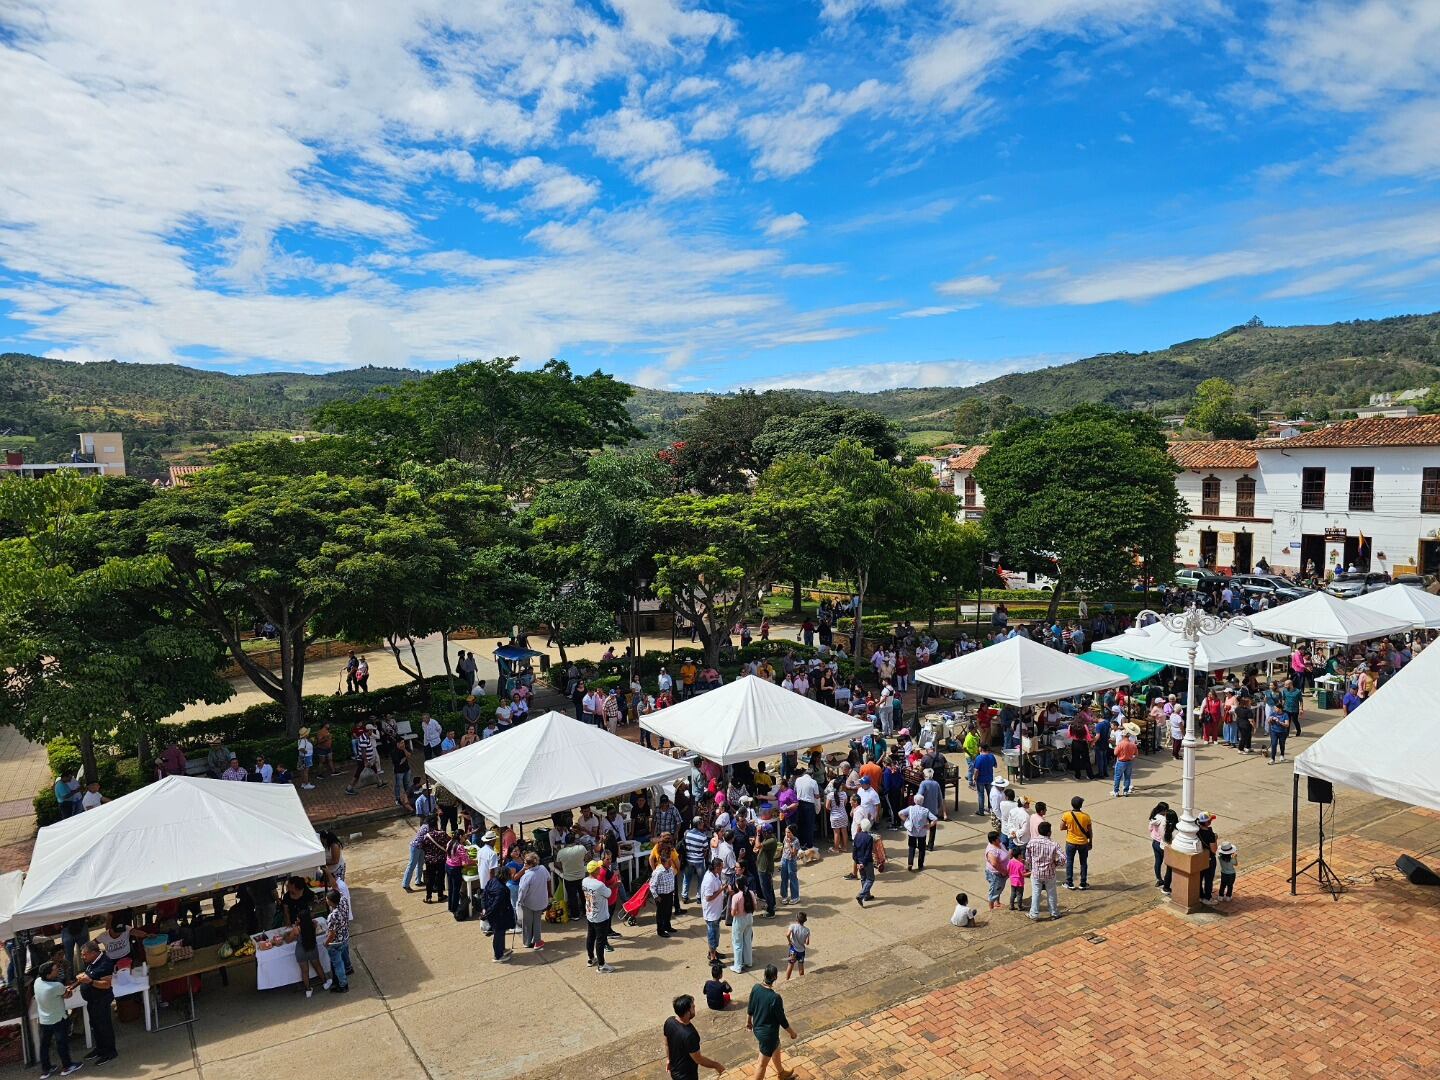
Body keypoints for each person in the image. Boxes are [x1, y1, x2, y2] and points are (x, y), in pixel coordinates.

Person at [746, 965, 798, 1080]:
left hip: (758, 1028)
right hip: (768, 1035)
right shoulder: (775, 998)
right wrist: (792, 1033)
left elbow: (750, 1007)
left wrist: (749, 1022)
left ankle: (781, 1073)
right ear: (775, 977)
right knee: (761, 1064)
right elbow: (782, 1020)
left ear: (764, 975)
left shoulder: (756, 988)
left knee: (776, 1046)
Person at [35, 960, 81, 1076]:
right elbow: (67, 995)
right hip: (58, 1019)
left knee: (44, 1046)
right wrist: (70, 989)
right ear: (48, 974)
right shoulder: (56, 986)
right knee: (61, 1044)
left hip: (44, 1020)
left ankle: (46, 1069)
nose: (57, 971)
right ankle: (67, 1066)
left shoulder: (37, 982)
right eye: (55, 970)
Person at [665, 994, 726, 1080]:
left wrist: (668, 1060)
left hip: (674, 1070)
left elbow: (666, 1044)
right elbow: (699, 1059)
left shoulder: (669, 1022)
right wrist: (717, 1065)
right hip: (686, 1076)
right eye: (693, 1007)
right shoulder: (690, 1035)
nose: (695, 1008)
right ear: (687, 1012)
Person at [76, 940, 117, 1064]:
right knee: (95, 1025)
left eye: (84, 954)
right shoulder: (91, 963)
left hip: (102, 1000)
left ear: (94, 953)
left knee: (104, 1026)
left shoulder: (105, 963)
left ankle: (110, 1052)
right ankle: (100, 1049)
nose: (82, 957)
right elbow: (89, 976)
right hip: (92, 1000)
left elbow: (106, 985)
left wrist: (90, 982)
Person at [582, 861, 615, 973]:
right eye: (598, 868)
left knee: (590, 937)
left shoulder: (584, 881)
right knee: (600, 940)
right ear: (596, 870)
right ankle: (601, 965)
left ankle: (591, 958)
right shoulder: (599, 885)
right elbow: (608, 893)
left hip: (590, 913)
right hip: (600, 916)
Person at [1027, 821, 1062, 921]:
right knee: (1051, 894)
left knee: (1036, 894)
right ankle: (1054, 913)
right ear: (1049, 833)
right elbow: (1063, 858)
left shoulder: (1031, 842)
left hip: (1036, 873)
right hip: (1050, 873)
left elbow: (1028, 858)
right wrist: (1056, 863)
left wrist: (1031, 868)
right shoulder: (1054, 844)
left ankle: (1034, 914)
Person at [517, 852, 551, 950]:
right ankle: (537, 941)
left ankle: (527, 942)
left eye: (525, 863)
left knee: (527, 923)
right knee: (537, 922)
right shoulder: (543, 869)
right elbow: (548, 879)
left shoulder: (527, 876)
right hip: (540, 902)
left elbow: (522, 891)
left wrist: (519, 901)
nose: (524, 865)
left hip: (528, 903)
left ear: (530, 864)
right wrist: (549, 893)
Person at [482, 865, 515, 962]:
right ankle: (498, 956)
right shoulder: (501, 889)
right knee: (498, 934)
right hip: (499, 915)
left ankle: (502, 950)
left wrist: (484, 908)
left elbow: (484, 894)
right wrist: (487, 914)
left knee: (501, 932)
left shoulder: (492, 881)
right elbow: (496, 905)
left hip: (494, 913)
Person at [1060, 796, 1092, 891]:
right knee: (1083, 863)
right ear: (1081, 805)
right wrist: (1090, 842)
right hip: (1083, 843)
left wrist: (1069, 827)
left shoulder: (1066, 815)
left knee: (1070, 862)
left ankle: (1069, 883)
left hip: (1070, 842)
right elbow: (1090, 831)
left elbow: (1061, 827)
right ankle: (1083, 883)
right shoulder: (1086, 816)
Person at [899, 794, 938, 872]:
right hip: (922, 833)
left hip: (912, 832)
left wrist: (906, 820)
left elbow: (900, 813)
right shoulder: (925, 810)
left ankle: (910, 863)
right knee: (921, 849)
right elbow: (935, 819)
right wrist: (929, 826)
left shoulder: (910, 808)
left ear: (914, 801)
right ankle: (920, 865)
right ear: (922, 802)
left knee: (911, 847)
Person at [701, 857, 727, 964]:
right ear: (716, 867)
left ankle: (713, 952)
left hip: (715, 912)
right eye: (721, 867)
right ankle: (712, 958)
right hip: (711, 913)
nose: (722, 869)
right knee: (713, 935)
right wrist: (721, 889)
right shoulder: (709, 879)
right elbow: (708, 897)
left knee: (716, 934)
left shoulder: (715, 874)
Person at [324, 889, 350, 993]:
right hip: (345, 937)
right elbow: (341, 894)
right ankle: (349, 968)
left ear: (330, 901)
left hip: (335, 943)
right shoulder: (343, 902)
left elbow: (332, 933)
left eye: (327, 899)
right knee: (345, 955)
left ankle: (343, 985)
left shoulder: (332, 916)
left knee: (338, 964)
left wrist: (326, 943)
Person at [729, 881, 756, 974]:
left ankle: (738, 966)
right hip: (749, 918)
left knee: (737, 943)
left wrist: (737, 912)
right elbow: (755, 906)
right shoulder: (751, 893)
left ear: (738, 885)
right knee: (747, 940)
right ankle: (748, 961)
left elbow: (733, 913)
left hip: (739, 920)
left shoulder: (736, 897)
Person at [852, 818, 876, 907]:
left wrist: (857, 862)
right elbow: (868, 852)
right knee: (870, 879)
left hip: (859, 860)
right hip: (867, 862)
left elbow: (854, 850)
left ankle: (867, 895)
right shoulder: (869, 838)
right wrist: (863, 863)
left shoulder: (857, 835)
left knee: (863, 878)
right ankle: (861, 895)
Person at [1148, 802, 1171, 888]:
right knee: (1169, 864)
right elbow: (1163, 833)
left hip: (1154, 842)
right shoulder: (1163, 819)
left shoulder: (1154, 816)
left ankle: (1159, 879)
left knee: (1158, 861)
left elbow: (1150, 828)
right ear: (1163, 810)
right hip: (1161, 843)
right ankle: (1167, 881)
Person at [971, 743, 997, 815]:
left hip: (980, 780)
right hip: (989, 779)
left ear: (981, 749)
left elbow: (976, 770)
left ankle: (981, 811)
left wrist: (975, 778)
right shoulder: (992, 756)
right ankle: (990, 808)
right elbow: (995, 765)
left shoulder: (979, 758)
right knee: (990, 794)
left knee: (981, 795)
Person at [778, 824, 800, 905]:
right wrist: (781, 861)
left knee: (793, 878)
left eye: (789, 832)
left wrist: (789, 845)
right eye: (786, 832)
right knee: (784, 878)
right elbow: (784, 849)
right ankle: (784, 896)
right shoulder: (785, 838)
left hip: (791, 861)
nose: (787, 834)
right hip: (784, 860)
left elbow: (794, 853)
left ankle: (795, 897)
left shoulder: (796, 841)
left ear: (793, 832)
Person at [1112, 728, 1138, 797]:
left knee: (1117, 777)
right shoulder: (1133, 745)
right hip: (1129, 762)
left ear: (1123, 736)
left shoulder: (1120, 744)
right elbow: (1136, 754)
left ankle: (1116, 791)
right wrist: (1131, 757)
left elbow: (1115, 753)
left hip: (1121, 762)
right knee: (1127, 777)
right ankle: (1126, 791)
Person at [784, 912, 810, 979]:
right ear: (805, 920)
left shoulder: (792, 926)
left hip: (793, 950)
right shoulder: (807, 930)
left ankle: (787, 980)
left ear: (796, 919)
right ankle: (801, 980)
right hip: (801, 951)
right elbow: (807, 943)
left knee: (790, 965)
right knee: (801, 967)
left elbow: (787, 935)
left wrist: (789, 941)